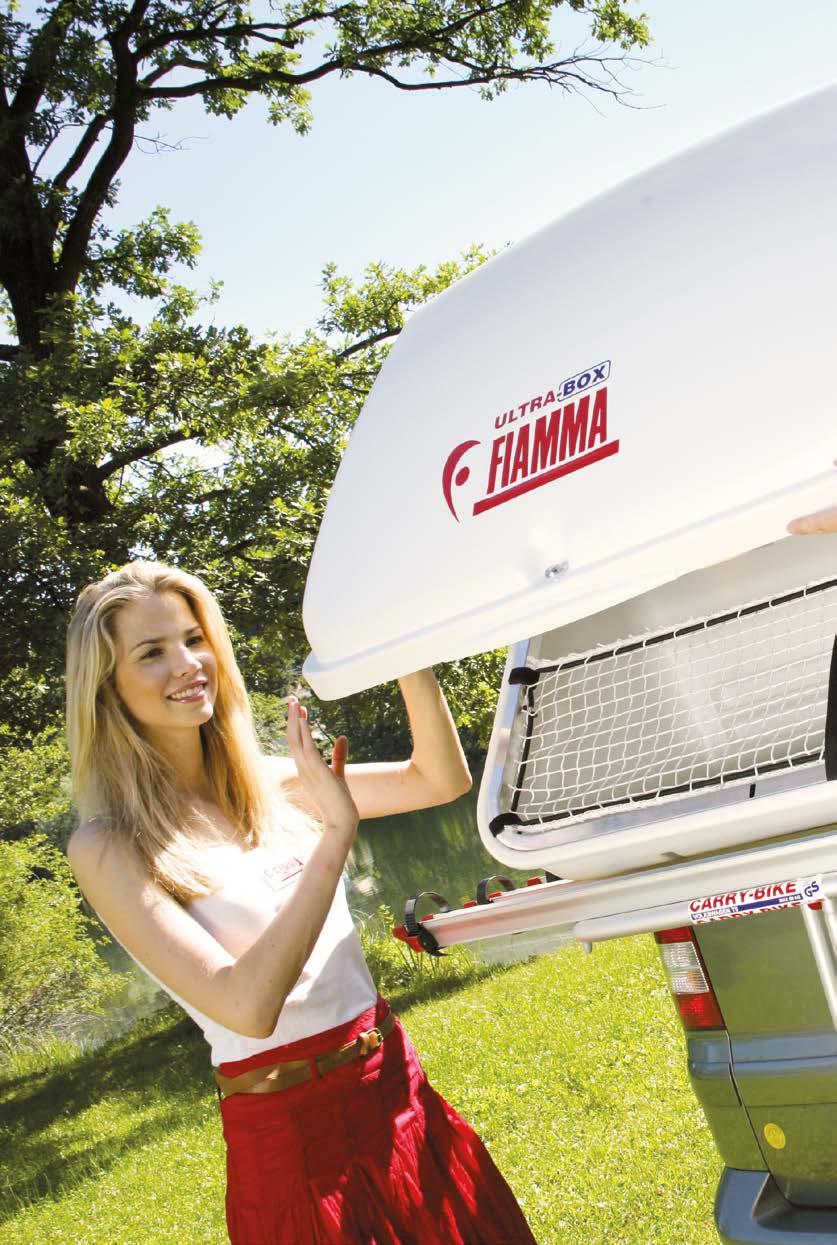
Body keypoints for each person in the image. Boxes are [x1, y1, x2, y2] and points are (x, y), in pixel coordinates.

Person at [65, 560, 537, 1245]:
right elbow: (245, 1006)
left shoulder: (269, 782)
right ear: (108, 689)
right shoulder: (109, 846)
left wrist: (403, 646)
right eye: (152, 652)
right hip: (294, 1144)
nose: (188, 664)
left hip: (395, 1089)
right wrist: (335, 835)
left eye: (194, 639)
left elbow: (437, 778)